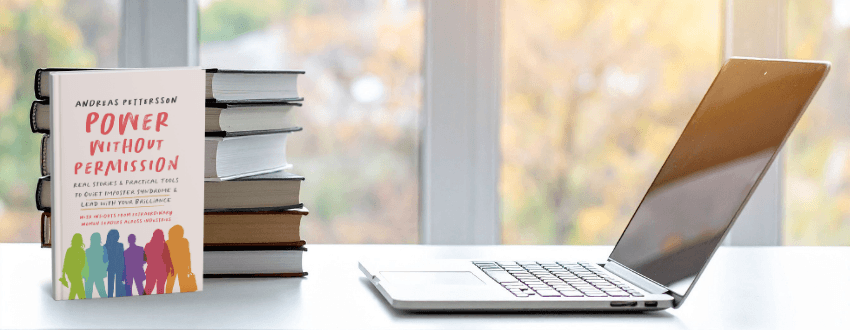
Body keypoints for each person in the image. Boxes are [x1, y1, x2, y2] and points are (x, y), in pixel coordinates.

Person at [165, 225, 195, 293]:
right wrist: (189, 267)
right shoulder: (184, 241)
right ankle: (184, 298)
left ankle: (167, 297)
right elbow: (187, 254)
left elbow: (166, 257)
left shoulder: (168, 242)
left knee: (170, 284)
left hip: (172, 266)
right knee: (183, 284)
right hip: (182, 266)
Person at [144, 229, 173, 295]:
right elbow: (168, 259)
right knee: (160, 288)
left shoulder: (148, 245)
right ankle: (159, 303)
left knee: (148, 288)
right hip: (162, 270)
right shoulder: (164, 245)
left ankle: (143, 302)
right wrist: (171, 268)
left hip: (151, 269)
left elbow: (144, 258)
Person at [61, 233, 86, 300]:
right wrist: (63, 275)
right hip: (71, 273)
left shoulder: (82, 251)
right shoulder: (70, 250)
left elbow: (83, 263)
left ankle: (72, 301)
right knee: (79, 289)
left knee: (74, 289)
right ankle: (83, 301)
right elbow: (66, 263)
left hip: (78, 273)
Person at [84, 232, 108, 298]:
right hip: (96, 274)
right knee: (102, 293)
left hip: (90, 275)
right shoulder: (103, 249)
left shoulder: (87, 251)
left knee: (89, 294)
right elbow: (106, 261)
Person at [103, 229, 125, 297]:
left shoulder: (105, 246)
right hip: (116, 267)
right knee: (116, 284)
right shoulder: (120, 245)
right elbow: (122, 258)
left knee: (111, 285)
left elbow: (104, 259)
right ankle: (114, 298)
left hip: (112, 267)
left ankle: (111, 298)